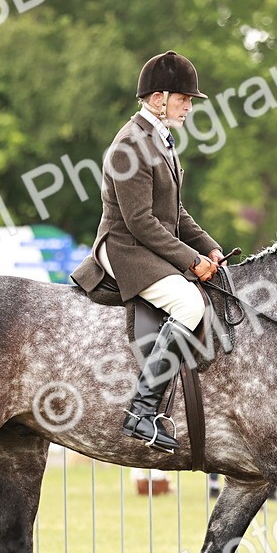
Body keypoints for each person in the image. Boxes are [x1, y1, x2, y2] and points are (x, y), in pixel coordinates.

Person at [70, 50, 225, 454]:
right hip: (125, 247)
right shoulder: (130, 145)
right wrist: (190, 260)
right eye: (183, 99)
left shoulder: (161, 140)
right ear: (158, 99)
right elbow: (140, 221)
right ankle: (141, 411)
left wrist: (208, 246)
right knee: (190, 305)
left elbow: (175, 213)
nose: (189, 106)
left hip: (148, 245)